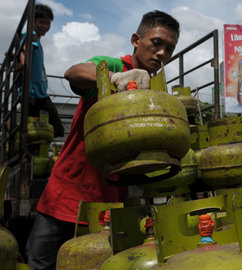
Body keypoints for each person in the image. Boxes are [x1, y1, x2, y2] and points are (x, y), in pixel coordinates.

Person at [25, 10, 180, 269]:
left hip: (113, 199)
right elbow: (73, 72)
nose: (162, 53)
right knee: (41, 262)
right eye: (156, 43)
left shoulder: (155, 87)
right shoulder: (114, 66)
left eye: (170, 48)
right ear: (136, 40)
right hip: (69, 190)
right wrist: (114, 78)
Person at [17, 3, 64, 137]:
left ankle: (30, 148)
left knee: (36, 127)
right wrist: (22, 64)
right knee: (58, 128)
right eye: (41, 22)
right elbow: (24, 52)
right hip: (35, 94)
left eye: (48, 23)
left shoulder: (36, 38)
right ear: (32, 21)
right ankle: (16, 128)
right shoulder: (31, 35)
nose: (45, 26)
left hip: (37, 92)